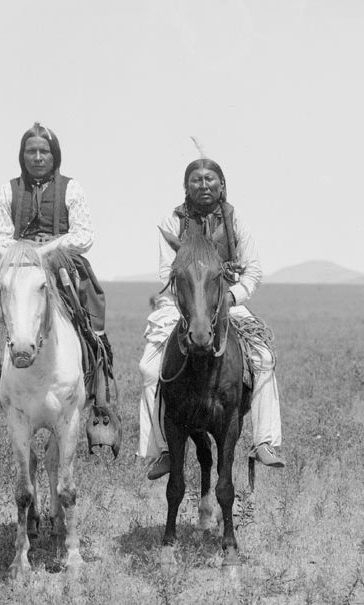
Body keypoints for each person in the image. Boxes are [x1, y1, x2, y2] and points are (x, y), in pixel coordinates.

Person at [0, 123, 111, 453]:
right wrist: (20, 251)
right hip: (15, 264)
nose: (38, 157)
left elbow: (84, 233)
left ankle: (100, 409)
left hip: (60, 263)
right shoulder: (8, 190)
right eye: (31, 151)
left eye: (44, 151)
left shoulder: (72, 189)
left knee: (89, 322)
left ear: (54, 155)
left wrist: (49, 248)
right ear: (22, 155)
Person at [138, 158, 284, 480]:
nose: (203, 184)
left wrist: (231, 296)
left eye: (210, 179)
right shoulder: (173, 221)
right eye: (196, 180)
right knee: (149, 368)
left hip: (228, 301)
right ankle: (160, 449)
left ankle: (264, 441)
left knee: (263, 357)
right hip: (183, 305)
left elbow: (254, 270)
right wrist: (190, 304)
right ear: (186, 186)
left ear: (222, 184)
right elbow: (167, 272)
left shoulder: (235, 220)